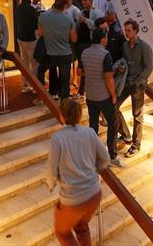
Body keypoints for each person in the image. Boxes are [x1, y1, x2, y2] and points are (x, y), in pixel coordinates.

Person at [46, 98, 110, 246]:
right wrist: (93, 170)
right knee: (81, 227)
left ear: (62, 116)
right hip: (94, 194)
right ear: (79, 115)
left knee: (62, 231)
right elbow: (105, 158)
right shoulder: (89, 132)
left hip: (74, 199)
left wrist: (50, 184)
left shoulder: (58, 138)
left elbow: (51, 169)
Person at [80, 29, 119, 166]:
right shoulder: (105, 54)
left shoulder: (84, 52)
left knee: (93, 126)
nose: (107, 39)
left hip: (90, 95)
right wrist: (113, 95)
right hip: (104, 96)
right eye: (106, 37)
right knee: (113, 124)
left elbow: (80, 72)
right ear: (102, 39)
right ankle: (112, 156)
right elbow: (108, 77)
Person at [114, 20, 152, 158]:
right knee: (113, 106)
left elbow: (148, 67)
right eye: (125, 30)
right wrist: (122, 68)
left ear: (136, 30)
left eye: (129, 30)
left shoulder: (144, 47)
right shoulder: (125, 45)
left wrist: (138, 81)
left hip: (137, 85)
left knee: (137, 115)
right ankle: (125, 135)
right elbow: (125, 61)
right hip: (126, 83)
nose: (126, 32)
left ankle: (136, 144)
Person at [39, 0, 77, 99]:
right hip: (65, 53)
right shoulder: (68, 18)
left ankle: (53, 93)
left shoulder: (43, 16)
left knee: (52, 73)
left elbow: (40, 34)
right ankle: (64, 101)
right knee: (65, 79)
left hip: (50, 52)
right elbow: (74, 38)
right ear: (65, 5)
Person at [16, 0, 39, 94]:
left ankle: (24, 85)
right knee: (34, 63)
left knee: (24, 62)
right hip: (30, 38)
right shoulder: (30, 9)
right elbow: (35, 25)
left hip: (21, 38)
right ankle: (34, 86)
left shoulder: (19, 8)